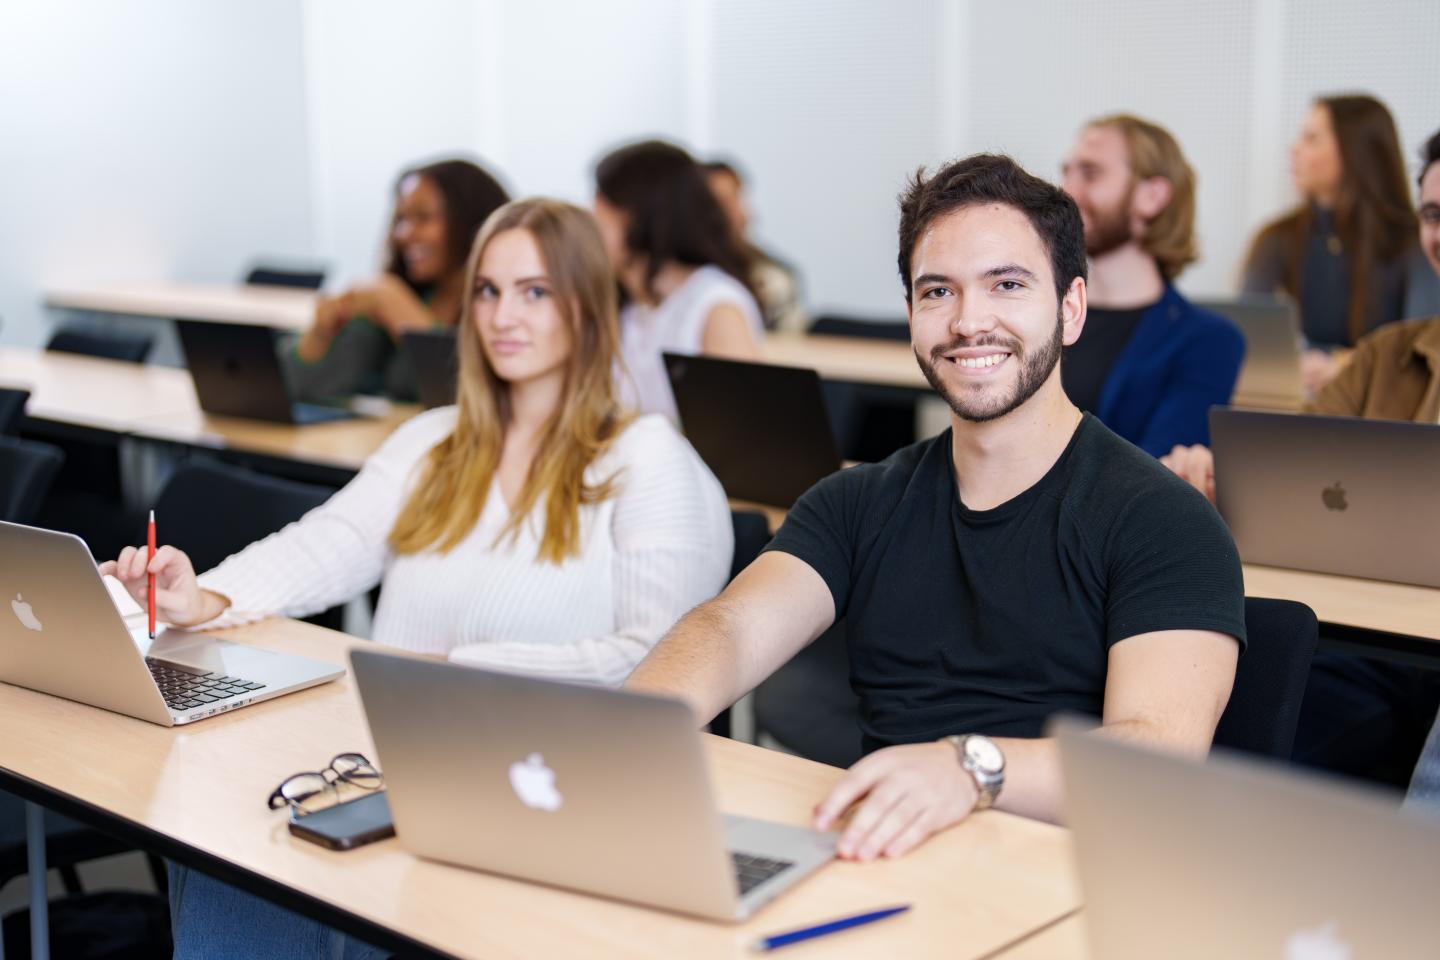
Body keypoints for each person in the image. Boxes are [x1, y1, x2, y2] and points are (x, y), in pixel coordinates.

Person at [103, 198, 734, 960]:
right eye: (488, 291)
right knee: (222, 848)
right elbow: (326, 543)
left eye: (536, 292)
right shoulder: (434, 441)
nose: (505, 314)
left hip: (539, 787)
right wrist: (204, 595)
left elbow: (655, 660)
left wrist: (453, 674)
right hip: (390, 764)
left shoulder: (650, 462)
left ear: (588, 310)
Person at [627, 154, 1245, 860]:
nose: (968, 321)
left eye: (1007, 285)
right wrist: (632, 726)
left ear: (1071, 309)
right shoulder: (856, 502)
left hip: (1065, 888)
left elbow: (1159, 754)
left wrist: (969, 768)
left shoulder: (1163, 521)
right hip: (878, 856)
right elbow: (731, 628)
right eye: (937, 292)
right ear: (913, 315)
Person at [1168, 128, 1440, 788]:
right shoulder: (1388, 354)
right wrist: (1216, 483)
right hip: (1365, 645)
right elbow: (1296, 473)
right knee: (1229, 727)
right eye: (1433, 215)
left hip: (1408, 655)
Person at [1058, 114, 1244, 455]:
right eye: (1066, 172)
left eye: (1090, 173)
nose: (1066, 190)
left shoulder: (1208, 342)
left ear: (1152, 196)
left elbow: (1157, 478)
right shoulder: (1040, 314)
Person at [284, 158, 509, 403]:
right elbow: (297, 389)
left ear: (473, 223)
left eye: (423, 217)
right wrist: (319, 334)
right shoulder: (404, 294)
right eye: (401, 219)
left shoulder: (502, 308)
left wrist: (397, 307)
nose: (404, 234)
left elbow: (472, 397)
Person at [1242, 95, 1421, 395]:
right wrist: (1301, 365)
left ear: (1355, 150)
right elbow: (1250, 341)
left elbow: (1422, 346)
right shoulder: (1276, 238)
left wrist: (1346, 364)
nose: (1295, 149)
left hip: (1383, 411)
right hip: (1298, 405)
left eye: (1312, 138)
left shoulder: (1416, 242)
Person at [593, 140, 765, 420]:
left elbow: (745, 429)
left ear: (642, 216)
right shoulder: (629, 306)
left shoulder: (716, 307)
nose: (593, 224)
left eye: (604, 210)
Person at [704, 159, 808, 333]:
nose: (731, 213)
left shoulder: (772, 278)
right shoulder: (679, 276)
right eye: (717, 203)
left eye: (734, 200)